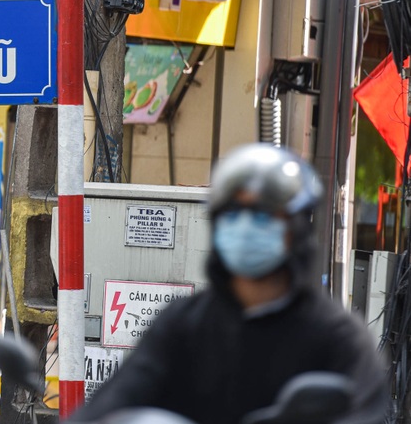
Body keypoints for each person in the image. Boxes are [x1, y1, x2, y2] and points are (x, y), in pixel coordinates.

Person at [70, 143, 388, 424]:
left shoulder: (338, 339)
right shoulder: (184, 324)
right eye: (234, 213)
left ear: (295, 228)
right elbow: (115, 401)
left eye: (262, 214)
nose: (246, 227)